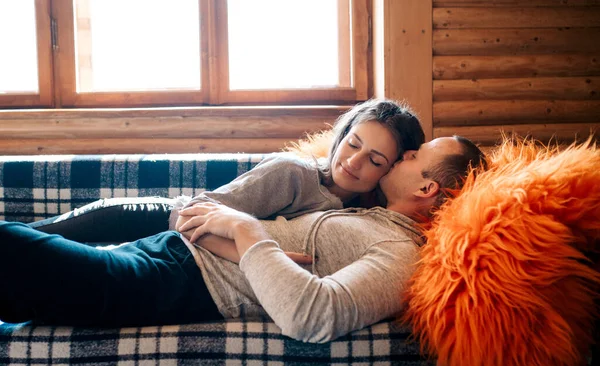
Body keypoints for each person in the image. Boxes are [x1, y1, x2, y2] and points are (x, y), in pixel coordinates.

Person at [0, 136, 486, 343]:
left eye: (413, 156)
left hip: (170, 283)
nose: (402, 154)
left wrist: (244, 230)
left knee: (10, 247)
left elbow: (313, 315)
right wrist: (248, 242)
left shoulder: (399, 253)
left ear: (428, 188)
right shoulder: (355, 208)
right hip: (165, 251)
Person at [30, 99, 426, 252]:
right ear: (341, 136)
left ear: (391, 170)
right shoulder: (294, 175)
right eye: (353, 143)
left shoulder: (365, 215)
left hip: (173, 242)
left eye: (374, 160)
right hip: (150, 217)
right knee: (31, 235)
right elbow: (199, 213)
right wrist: (262, 257)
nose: (353, 162)